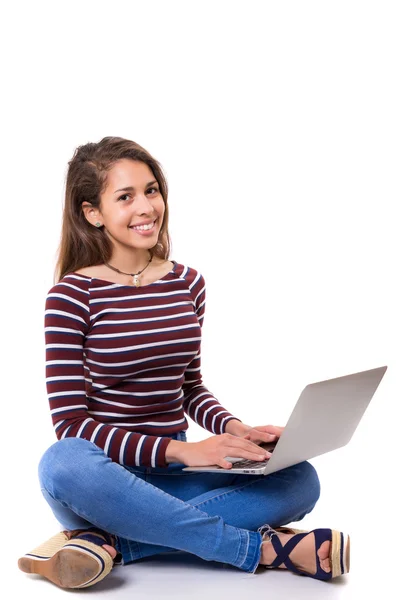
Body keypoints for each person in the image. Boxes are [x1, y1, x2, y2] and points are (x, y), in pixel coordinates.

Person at [18, 136, 350, 589]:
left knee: (300, 481)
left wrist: (236, 429)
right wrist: (184, 449)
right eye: (125, 196)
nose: (146, 207)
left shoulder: (187, 283)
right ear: (92, 212)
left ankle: (109, 545)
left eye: (151, 190)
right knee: (60, 462)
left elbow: (189, 386)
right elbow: (72, 426)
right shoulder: (70, 298)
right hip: (104, 482)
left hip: (174, 480)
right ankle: (262, 548)